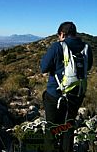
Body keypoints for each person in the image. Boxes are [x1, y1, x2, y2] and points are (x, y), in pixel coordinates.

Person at [40, 21, 93, 152]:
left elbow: (43, 68)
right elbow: (88, 67)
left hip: (56, 95)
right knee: (68, 126)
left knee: (51, 128)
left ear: (62, 34)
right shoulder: (86, 47)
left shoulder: (57, 46)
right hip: (76, 95)